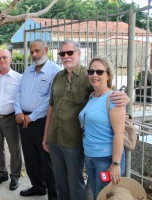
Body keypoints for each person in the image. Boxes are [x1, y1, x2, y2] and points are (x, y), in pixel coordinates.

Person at [42, 40, 129, 200]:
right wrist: (46, 135)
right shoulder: (58, 77)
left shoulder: (88, 77)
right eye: (62, 53)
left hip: (74, 143)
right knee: (60, 184)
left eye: (70, 53)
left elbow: (110, 92)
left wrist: (125, 97)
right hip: (55, 140)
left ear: (79, 54)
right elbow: (51, 108)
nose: (66, 56)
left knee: (77, 186)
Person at [14, 39, 62, 200]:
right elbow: (18, 92)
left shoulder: (55, 71)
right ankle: (38, 186)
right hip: (24, 120)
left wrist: (32, 117)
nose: (34, 55)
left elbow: (51, 99)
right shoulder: (28, 71)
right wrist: (18, 112)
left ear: (46, 50)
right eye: (32, 51)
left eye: (37, 51)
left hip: (42, 121)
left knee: (46, 159)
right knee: (30, 157)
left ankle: (53, 193)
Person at [78, 57, 125, 199]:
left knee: (105, 196)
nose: (94, 75)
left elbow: (119, 133)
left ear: (108, 75)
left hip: (106, 159)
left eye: (99, 71)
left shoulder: (114, 99)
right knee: (97, 195)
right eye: (91, 71)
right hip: (90, 156)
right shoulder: (93, 96)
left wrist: (115, 164)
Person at [0, 49, 22, 190]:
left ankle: (15, 177)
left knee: (14, 149)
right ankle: (2, 174)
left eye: (4, 57)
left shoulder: (19, 78)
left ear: (10, 58)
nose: (1, 60)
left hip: (11, 119)